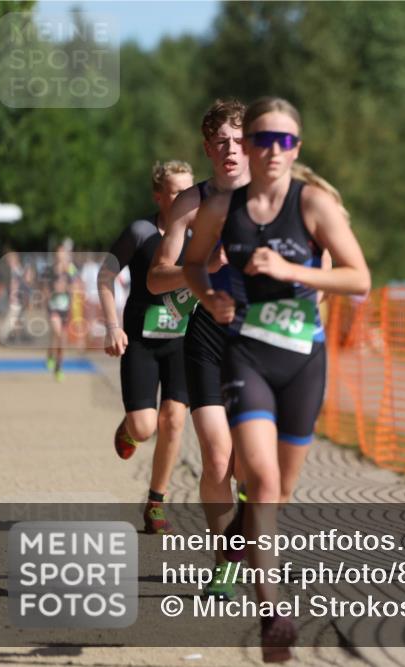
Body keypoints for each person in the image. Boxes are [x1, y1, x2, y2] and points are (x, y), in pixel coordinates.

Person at [183, 96, 370, 662]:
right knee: (261, 481)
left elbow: (359, 278)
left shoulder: (312, 204)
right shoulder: (223, 207)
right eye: (262, 139)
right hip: (247, 354)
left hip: (303, 359)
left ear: (296, 148)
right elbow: (193, 262)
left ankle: (242, 528)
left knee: (280, 490)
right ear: (249, 145)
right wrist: (209, 296)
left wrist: (290, 269)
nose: (271, 150)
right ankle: (274, 614)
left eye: (283, 141)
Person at [147, 99, 250, 600]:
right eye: (221, 142)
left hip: (260, 338)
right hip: (207, 335)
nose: (231, 149)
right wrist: (202, 267)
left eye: (239, 140)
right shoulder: (191, 201)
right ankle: (225, 563)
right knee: (216, 459)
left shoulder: (279, 196)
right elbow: (156, 277)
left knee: (250, 466)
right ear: (208, 149)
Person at [98, 160, 195, 534]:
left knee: (174, 420)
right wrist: (112, 327)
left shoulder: (201, 234)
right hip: (140, 339)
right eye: (176, 192)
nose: (185, 198)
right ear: (159, 196)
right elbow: (106, 277)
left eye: (190, 191)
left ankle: (156, 501)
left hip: (183, 341)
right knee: (144, 427)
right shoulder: (140, 232)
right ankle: (129, 429)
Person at [45, 245, 77, 379]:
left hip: (65, 307)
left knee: (61, 339)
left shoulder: (71, 269)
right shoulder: (50, 270)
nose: (61, 256)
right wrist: (54, 291)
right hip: (53, 307)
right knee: (57, 333)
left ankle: (58, 366)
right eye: (59, 253)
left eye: (63, 253)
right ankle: (51, 356)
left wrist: (66, 288)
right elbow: (45, 290)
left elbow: (75, 287)